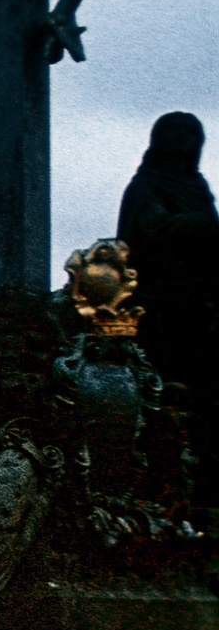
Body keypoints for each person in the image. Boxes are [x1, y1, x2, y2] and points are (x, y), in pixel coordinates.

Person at [117, 112, 217, 515]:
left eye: (189, 132)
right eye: (173, 131)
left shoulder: (198, 186)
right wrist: (200, 225)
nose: (181, 139)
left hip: (199, 303)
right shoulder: (146, 185)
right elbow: (149, 232)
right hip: (160, 304)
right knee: (163, 393)